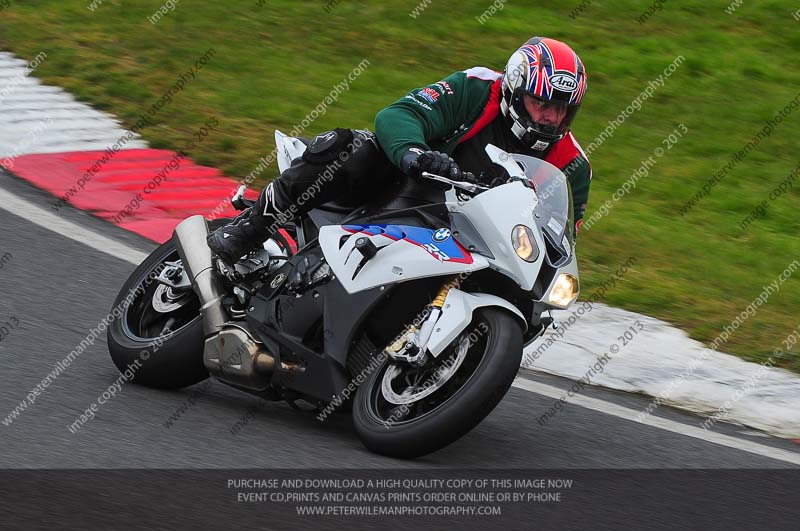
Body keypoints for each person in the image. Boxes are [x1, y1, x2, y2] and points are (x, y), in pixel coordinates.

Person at [207, 36, 591, 265]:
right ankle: (253, 225)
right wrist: (415, 153)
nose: (548, 118)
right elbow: (400, 114)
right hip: (402, 189)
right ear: (513, 88)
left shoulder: (573, 167)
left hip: (473, 240)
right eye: (541, 103)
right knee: (352, 149)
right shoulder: (477, 89)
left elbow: (561, 239)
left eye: (560, 109)